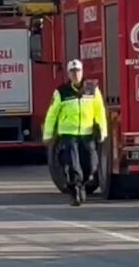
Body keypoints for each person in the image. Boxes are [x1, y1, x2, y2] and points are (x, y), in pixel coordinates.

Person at [43, 59, 107, 206]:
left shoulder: (91, 89)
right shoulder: (61, 92)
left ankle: (82, 184)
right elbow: (52, 114)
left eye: (78, 71)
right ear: (68, 74)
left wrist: (102, 130)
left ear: (82, 72)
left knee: (91, 165)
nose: (75, 74)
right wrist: (48, 134)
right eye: (72, 72)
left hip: (87, 133)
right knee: (73, 165)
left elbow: (100, 111)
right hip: (68, 134)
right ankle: (75, 192)